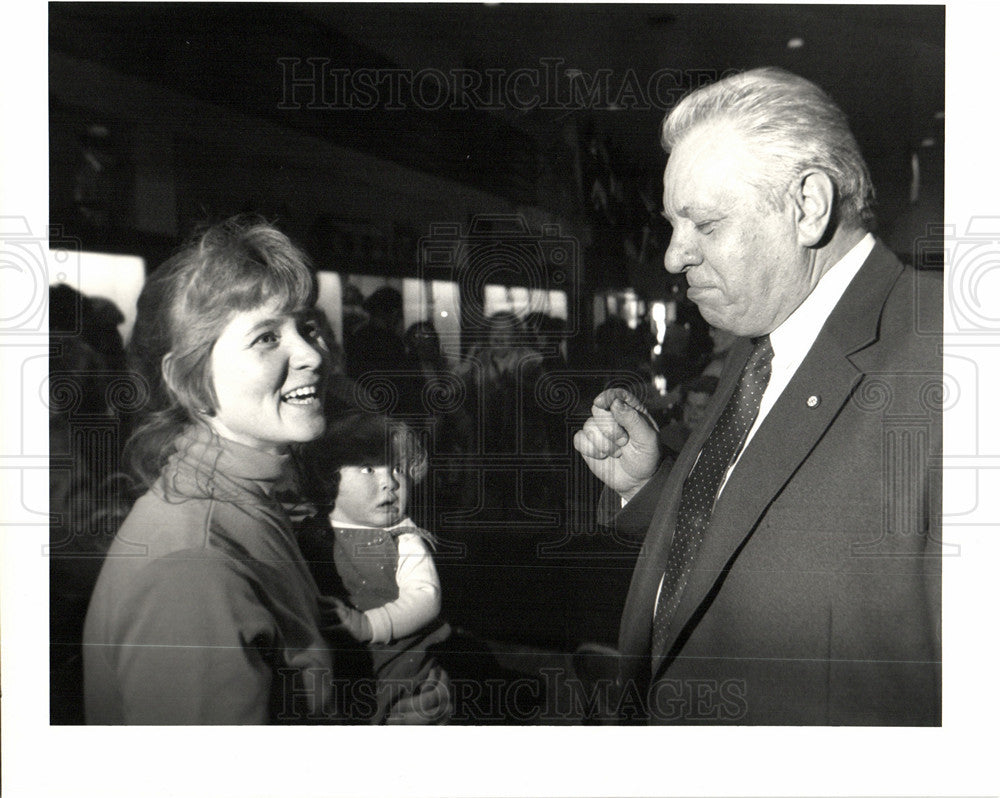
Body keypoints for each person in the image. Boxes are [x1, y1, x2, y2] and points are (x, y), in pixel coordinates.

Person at [573, 68, 941, 725]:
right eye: (672, 225)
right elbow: (758, 528)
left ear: (808, 207)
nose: (672, 257)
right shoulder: (760, 341)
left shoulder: (956, 359)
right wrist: (651, 486)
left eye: (705, 224)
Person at [82, 217, 449, 724]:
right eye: (266, 337)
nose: (311, 354)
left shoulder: (253, 502)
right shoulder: (194, 567)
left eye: (308, 327)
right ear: (189, 381)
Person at [297, 411, 451, 723]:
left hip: (406, 685)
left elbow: (426, 598)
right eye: (368, 469)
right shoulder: (313, 532)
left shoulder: (403, 539)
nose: (390, 482)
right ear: (330, 479)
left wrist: (369, 625)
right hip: (346, 682)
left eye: (398, 469)